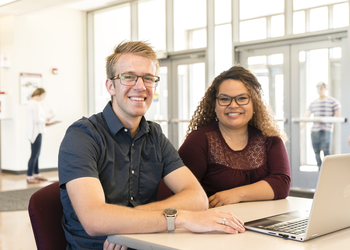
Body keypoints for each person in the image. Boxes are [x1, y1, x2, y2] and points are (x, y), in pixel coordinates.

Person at [58, 41, 245, 250]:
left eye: (148, 78)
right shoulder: (82, 136)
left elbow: (197, 197)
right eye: (129, 76)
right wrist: (178, 217)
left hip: (146, 243)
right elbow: (95, 220)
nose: (140, 86)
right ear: (110, 86)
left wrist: (124, 224)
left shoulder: (154, 135)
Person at [178, 66, 291, 208]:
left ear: (254, 102)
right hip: (215, 224)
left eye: (242, 98)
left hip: (264, 223)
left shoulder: (270, 140)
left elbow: (281, 183)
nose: (233, 105)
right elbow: (179, 192)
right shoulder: (199, 141)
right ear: (214, 103)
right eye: (224, 99)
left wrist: (235, 194)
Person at [301, 82, 341, 169]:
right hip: (315, 131)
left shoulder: (333, 102)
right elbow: (305, 117)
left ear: (325, 89)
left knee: (326, 152)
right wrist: (298, 128)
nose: (320, 90)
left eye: (322, 88)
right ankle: (320, 170)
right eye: (318, 88)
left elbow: (340, 117)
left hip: (326, 130)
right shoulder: (313, 103)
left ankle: (329, 170)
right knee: (316, 152)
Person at [26, 88, 49, 184]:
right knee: (35, 154)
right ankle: (30, 176)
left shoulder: (30, 102)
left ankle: (36, 173)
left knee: (36, 154)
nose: (43, 98)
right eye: (43, 96)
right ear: (40, 95)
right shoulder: (36, 104)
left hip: (33, 132)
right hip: (36, 132)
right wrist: (45, 119)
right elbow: (37, 120)